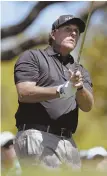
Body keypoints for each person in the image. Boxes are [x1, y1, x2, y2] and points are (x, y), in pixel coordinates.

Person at [14, 15, 94, 169]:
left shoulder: (80, 71)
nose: (73, 34)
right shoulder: (33, 57)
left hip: (68, 142)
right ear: (53, 34)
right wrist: (61, 90)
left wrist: (79, 87)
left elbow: (87, 106)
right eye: (68, 29)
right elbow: (24, 92)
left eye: (77, 31)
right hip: (37, 135)